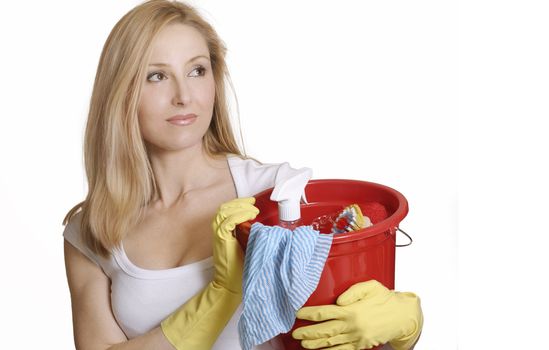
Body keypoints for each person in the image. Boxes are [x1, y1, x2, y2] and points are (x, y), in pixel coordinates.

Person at [62, 1, 423, 349]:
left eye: (197, 70)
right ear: (120, 92)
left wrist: (402, 330)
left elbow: (342, 327)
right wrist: (219, 297)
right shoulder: (94, 231)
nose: (184, 95)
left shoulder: (276, 195)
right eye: (156, 76)